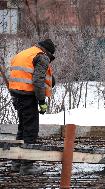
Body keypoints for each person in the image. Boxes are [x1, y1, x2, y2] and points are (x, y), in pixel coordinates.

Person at [8, 39, 56, 175]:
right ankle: (27, 165)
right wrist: (41, 101)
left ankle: (16, 162)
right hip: (27, 97)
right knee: (31, 130)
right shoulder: (42, 57)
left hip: (16, 94)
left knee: (22, 128)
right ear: (48, 52)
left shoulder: (26, 53)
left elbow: (27, 73)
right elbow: (37, 80)